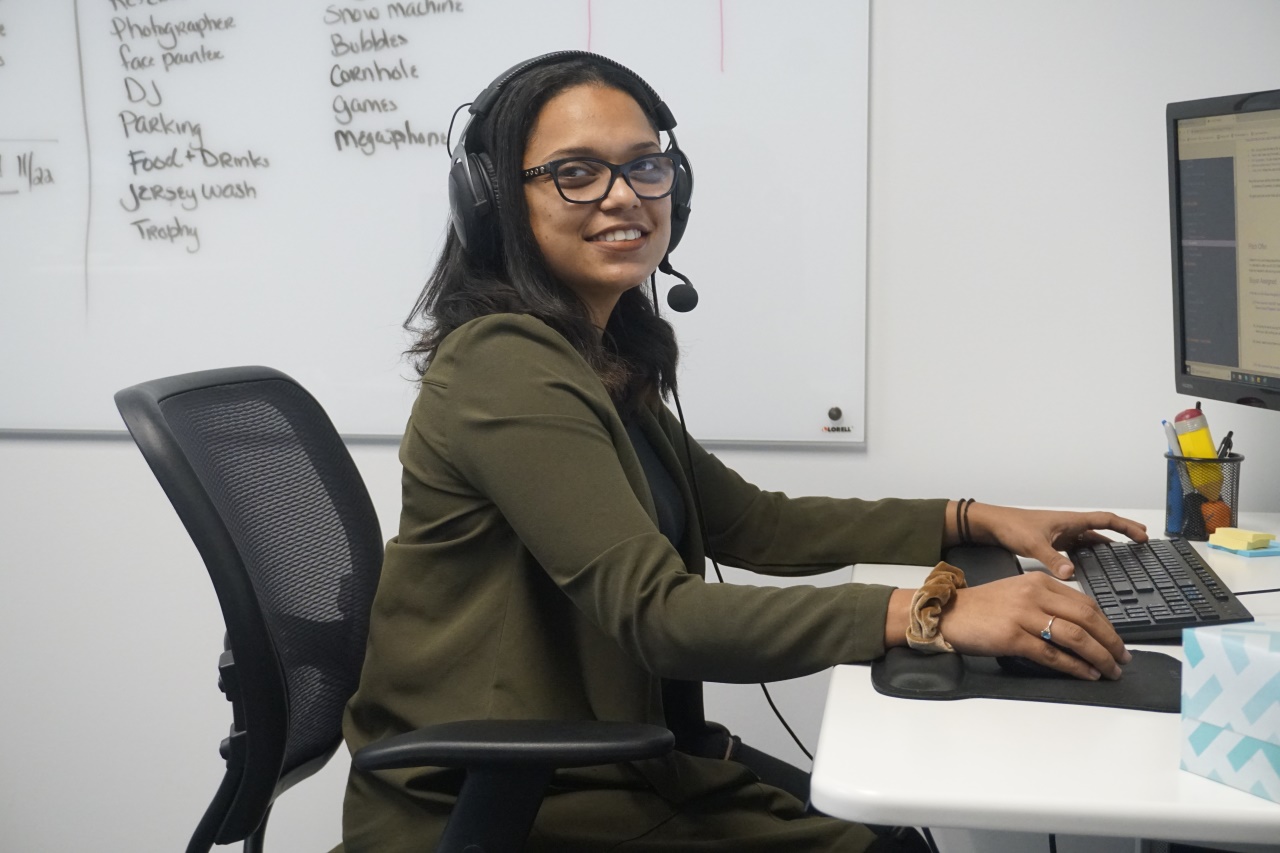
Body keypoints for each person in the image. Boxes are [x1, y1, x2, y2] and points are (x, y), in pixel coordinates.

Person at [338, 52, 1147, 852]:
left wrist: (970, 518)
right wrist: (933, 614)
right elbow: (660, 616)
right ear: (494, 204)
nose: (623, 195)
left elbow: (756, 523)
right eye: (576, 173)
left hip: (598, 764)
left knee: (889, 830)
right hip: (502, 799)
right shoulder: (503, 365)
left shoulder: (592, 352)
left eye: (645, 165)